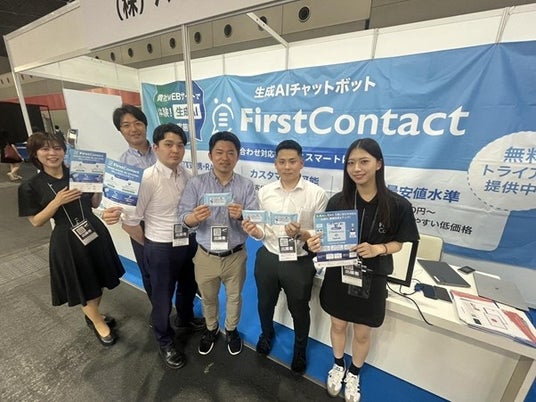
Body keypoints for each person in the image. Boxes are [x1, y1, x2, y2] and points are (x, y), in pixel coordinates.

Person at [306, 138, 419, 402]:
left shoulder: (398, 205)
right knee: (337, 324)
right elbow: (325, 238)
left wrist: (379, 249)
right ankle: (338, 365)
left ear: (379, 164)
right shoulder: (338, 201)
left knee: (362, 331)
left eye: (364, 161)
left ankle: (354, 372)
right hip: (338, 273)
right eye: (351, 163)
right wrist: (315, 243)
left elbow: (400, 243)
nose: (356, 168)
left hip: (372, 276)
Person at [18, 132, 125, 346]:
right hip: (67, 239)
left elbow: (93, 204)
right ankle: (97, 322)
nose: (52, 153)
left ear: (64, 151)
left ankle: (93, 314)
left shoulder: (79, 172)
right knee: (84, 284)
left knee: (99, 278)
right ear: (35, 154)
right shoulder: (30, 186)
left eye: (57, 148)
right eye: (45, 149)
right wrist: (56, 202)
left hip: (93, 230)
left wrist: (97, 186)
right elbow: (36, 221)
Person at [242, 140, 328, 375]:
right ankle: (266, 334)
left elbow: (320, 233)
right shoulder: (265, 192)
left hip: (299, 260)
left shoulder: (317, 194)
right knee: (264, 303)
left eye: (292, 161)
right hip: (268, 256)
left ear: (301, 163)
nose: (287, 166)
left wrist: (301, 233)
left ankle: (299, 350)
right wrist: (254, 231)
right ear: (275, 164)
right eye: (282, 162)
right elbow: (262, 229)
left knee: (299, 309)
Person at [121, 123, 200, 369]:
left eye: (180, 145)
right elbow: (129, 222)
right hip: (161, 247)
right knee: (162, 298)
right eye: (168, 144)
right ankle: (164, 340)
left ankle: (185, 318)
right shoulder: (147, 179)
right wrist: (150, 246)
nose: (175, 150)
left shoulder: (186, 175)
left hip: (187, 240)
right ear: (155, 147)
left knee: (189, 286)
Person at [179, 131, 258, 356]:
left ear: (237, 156)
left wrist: (243, 215)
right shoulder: (196, 184)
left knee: (234, 297)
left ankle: (231, 330)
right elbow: (182, 216)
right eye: (219, 152)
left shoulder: (246, 185)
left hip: (235, 255)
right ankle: (211, 328)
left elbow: (255, 218)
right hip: (206, 255)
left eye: (230, 153)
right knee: (208, 298)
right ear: (211, 155)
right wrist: (194, 218)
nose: (225, 158)